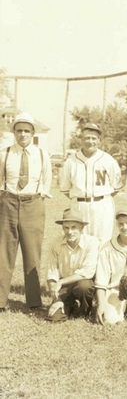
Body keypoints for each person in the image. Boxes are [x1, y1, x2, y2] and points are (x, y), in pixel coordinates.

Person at [0, 112, 52, 311]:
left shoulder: (41, 154)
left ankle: (34, 301)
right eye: (19, 130)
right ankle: (1, 300)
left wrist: (39, 195)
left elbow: (46, 180)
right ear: (14, 132)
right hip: (8, 203)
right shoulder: (4, 153)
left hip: (33, 203)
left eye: (26, 131)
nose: (22, 134)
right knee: (4, 252)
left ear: (32, 133)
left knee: (32, 253)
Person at [59, 123, 122, 243]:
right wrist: (81, 198)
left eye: (94, 138)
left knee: (103, 241)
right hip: (79, 205)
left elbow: (117, 187)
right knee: (80, 242)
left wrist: (101, 197)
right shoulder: (71, 161)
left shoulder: (108, 159)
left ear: (99, 140)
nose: (90, 141)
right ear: (81, 139)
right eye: (87, 138)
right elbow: (65, 189)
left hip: (102, 205)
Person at [45, 208, 99, 321]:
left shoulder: (92, 242)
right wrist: (56, 298)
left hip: (83, 282)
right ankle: (69, 304)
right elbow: (51, 272)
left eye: (74, 227)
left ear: (82, 228)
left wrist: (60, 282)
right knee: (55, 318)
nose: (70, 232)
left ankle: (86, 309)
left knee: (84, 286)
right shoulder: (55, 243)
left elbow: (87, 272)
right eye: (66, 227)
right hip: (64, 286)